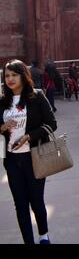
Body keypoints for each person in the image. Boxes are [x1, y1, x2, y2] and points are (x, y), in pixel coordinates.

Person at [0, 59, 57, 244]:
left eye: (14, 75)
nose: (10, 79)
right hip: (11, 160)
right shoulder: (2, 101)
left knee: (36, 202)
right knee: (20, 205)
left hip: (34, 157)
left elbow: (51, 123)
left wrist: (29, 136)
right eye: (7, 75)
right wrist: (2, 127)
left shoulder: (37, 96)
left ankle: (43, 235)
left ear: (23, 76)